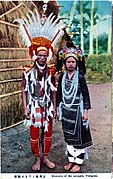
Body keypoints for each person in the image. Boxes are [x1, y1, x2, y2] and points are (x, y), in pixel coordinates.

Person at [15, 8, 64, 171]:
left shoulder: (50, 70)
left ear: (47, 55)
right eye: (39, 55)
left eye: (44, 55)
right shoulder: (27, 71)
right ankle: (37, 159)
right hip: (33, 105)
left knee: (48, 133)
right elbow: (23, 90)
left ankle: (45, 158)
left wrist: (55, 107)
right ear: (35, 56)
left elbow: (54, 90)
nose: (42, 57)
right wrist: (25, 109)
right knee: (35, 134)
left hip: (48, 107)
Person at [56, 46, 93, 172]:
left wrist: (86, 111)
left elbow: (86, 95)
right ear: (64, 63)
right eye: (68, 61)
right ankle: (71, 160)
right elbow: (59, 94)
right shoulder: (62, 77)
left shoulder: (80, 77)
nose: (70, 64)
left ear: (77, 63)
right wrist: (57, 109)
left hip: (78, 110)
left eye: (73, 62)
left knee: (79, 136)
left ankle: (78, 161)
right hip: (66, 111)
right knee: (68, 137)